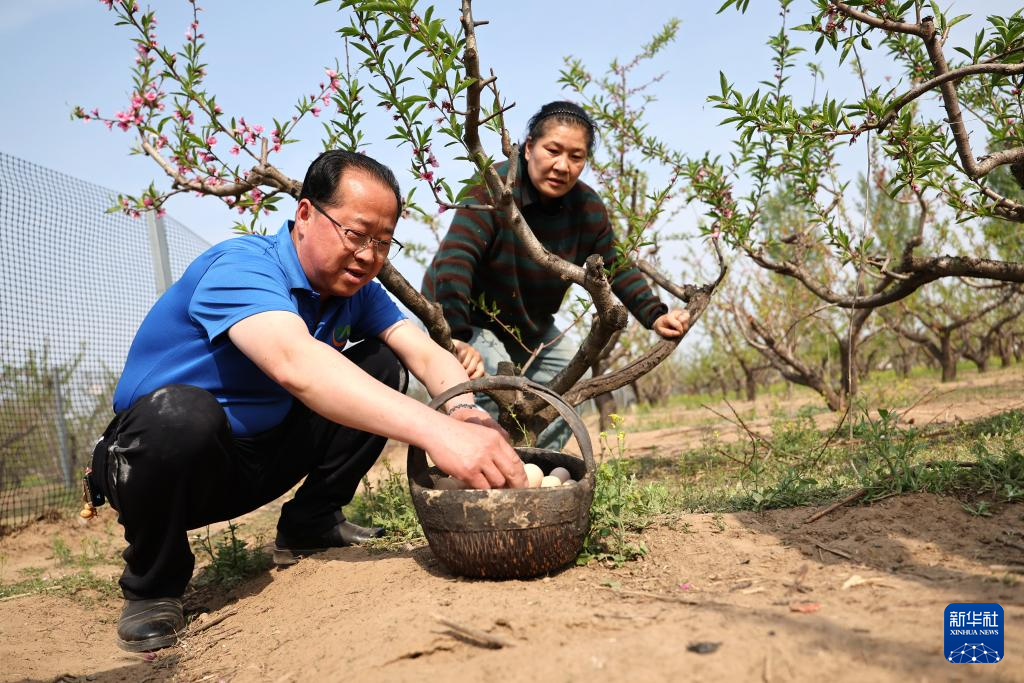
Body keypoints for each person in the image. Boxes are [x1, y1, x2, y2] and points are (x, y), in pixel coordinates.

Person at [86, 150, 527, 653]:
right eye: (356, 234)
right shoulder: (241, 267)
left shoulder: (356, 290)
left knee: (382, 362)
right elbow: (296, 364)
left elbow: (422, 351)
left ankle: (312, 523)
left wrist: (465, 411)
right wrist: (438, 433)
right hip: (164, 465)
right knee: (181, 416)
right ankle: (152, 584)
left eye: (383, 242)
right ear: (305, 214)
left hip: (262, 455)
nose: (368, 255)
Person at [421, 101, 690, 447]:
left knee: (567, 389)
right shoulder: (493, 189)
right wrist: (454, 338)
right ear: (528, 148)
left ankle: (536, 468)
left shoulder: (587, 208)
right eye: (553, 150)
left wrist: (655, 315)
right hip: (465, 319)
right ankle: (490, 469)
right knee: (493, 390)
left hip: (529, 326)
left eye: (576, 157)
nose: (563, 166)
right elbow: (455, 261)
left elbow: (616, 266)